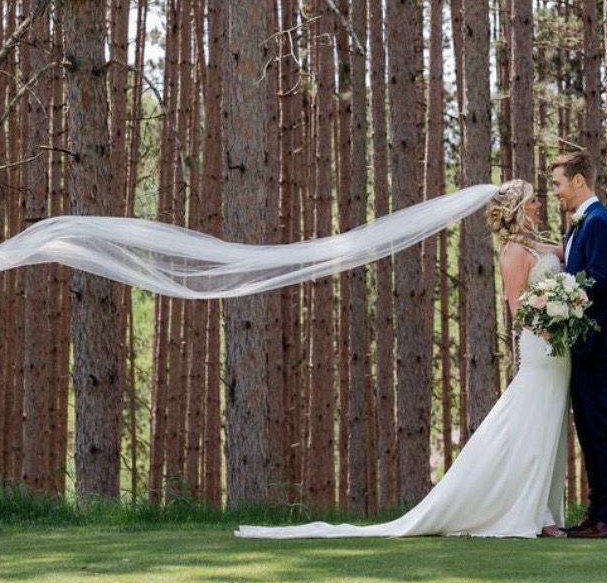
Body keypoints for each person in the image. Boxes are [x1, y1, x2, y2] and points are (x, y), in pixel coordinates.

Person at [235, 179, 573, 539]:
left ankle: (542, 507)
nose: (539, 205)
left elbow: (562, 252)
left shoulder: (531, 244)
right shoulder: (513, 252)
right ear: (517, 208)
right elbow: (517, 309)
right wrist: (549, 326)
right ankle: (534, 512)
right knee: (531, 425)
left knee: (547, 426)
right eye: (533, 201)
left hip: (558, 349)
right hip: (542, 346)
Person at [549, 150, 607, 539]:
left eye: (558, 184)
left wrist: (560, 296)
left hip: (598, 341)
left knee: (601, 428)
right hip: (583, 343)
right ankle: (597, 513)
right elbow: (574, 265)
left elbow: (600, 283)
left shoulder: (599, 222)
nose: (555, 192)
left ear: (578, 180)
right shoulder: (579, 224)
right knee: (589, 430)